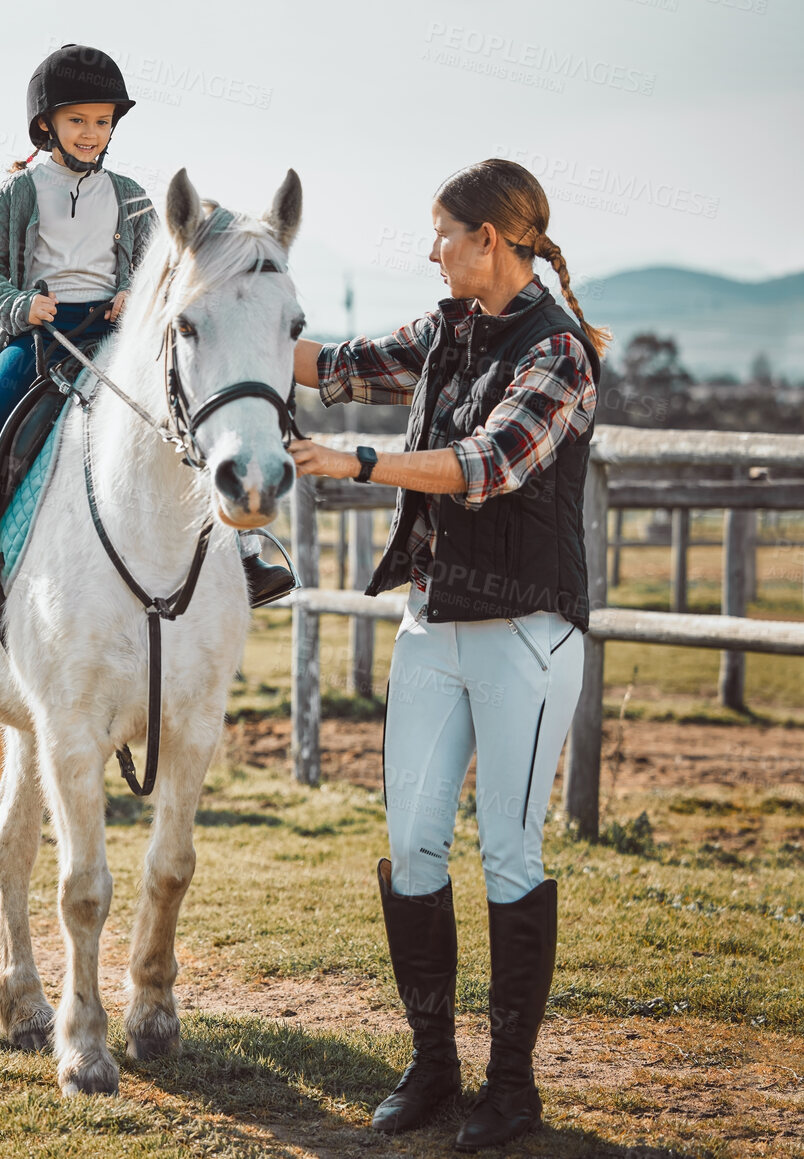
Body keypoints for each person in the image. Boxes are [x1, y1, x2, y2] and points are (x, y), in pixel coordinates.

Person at [287, 158, 610, 1151]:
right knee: (413, 845)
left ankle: (510, 1090)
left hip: (526, 632)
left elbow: (488, 467)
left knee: (507, 852)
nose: (428, 252)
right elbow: (328, 364)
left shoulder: (555, 352)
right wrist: (193, 298)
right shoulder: (440, 334)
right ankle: (431, 1066)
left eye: (441, 234)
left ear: (491, 240)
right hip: (430, 624)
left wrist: (359, 462)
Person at [0, 43, 294, 605]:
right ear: (45, 125)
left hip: (114, 333)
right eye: (77, 120)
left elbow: (164, 269)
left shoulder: (130, 196)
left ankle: (244, 543)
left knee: (185, 408)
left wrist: (132, 293)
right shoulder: (20, 189)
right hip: (40, 335)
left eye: (101, 122)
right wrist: (19, 306)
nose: (90, 132)